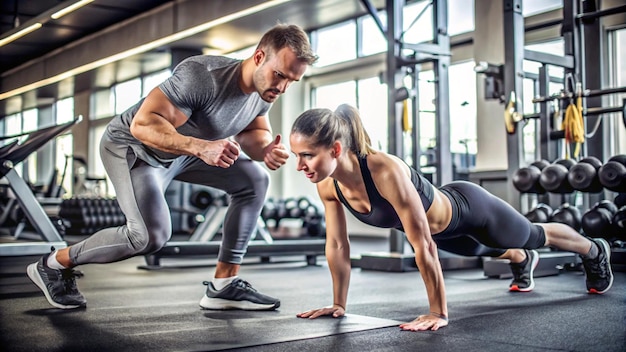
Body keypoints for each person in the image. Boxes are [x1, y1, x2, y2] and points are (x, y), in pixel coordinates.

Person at [26, 23, 318, 311]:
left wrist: (266, 149)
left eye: (292, 80)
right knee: (149, 237)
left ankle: (224, 285)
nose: (282, 86)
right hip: (135, 148)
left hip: (185, 152)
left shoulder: (263, 90)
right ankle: (53, 264)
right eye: (279, 75)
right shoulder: (202, 76)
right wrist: (202, 147)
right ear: (258, 57)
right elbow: (143, 124)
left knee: (254, 180)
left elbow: (254, 132)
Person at [289, 104, 613, 332]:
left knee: (532, 234)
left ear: (334, 149)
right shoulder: (329, 187)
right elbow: (337, 244)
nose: (300, 165)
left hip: (471, 210)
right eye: (296, 156)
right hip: (447, 235)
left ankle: (594, 249)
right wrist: (338, 304)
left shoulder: (384, 170)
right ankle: (521, 260)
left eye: (307, 155)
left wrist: (437, 312)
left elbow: (424, 246)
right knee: (486, 250)